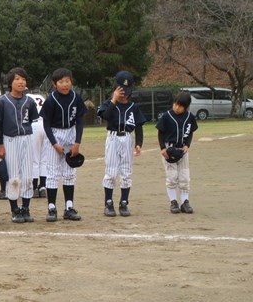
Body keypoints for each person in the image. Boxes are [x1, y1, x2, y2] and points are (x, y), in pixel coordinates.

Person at [0, 68, 39, 223]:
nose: (21, 82)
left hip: (26, 138)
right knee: (13, 177)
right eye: (17, 79)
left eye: (23, 79)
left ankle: (25, 208)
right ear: (10, 82)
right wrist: (0, 145)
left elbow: (31, 119)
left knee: (27, 176)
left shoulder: (29, 101)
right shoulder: (3, 101)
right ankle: (14, 209)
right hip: (10, 139)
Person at [40, 68, 87, 222]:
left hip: (71, 134)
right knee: (53, 173)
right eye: (61, 82)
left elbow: (80, 121)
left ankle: (69, 207)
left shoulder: (76, 98)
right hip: (54, 134)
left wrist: (77, 142)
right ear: (54, 84)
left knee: (69, 173)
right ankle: (52, 208)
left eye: (67, 81)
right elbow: (46, 124)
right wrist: (54, 143)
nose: (65, 84)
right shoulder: (51, 100)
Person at [97, 71, 146, 217]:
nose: (123, 94)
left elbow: (139, 127)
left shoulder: (134, 107)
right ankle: (108, 203)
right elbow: (106, 116)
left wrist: (138, 143)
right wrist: (114, 99)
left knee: (126, 172)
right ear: (115, 89)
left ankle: (124, 202)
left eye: (126, 91)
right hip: (113, 137)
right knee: (111, 172)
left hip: (127, 138)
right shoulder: (109, 103)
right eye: (120, 90)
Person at [156, 91, 198, 214]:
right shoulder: (167, 116)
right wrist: (162, 148)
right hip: (169, 149)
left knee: (184, 177)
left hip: (182, 150)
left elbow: (190, 132)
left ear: (186, 107)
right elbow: (160, 133)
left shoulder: (189, 117)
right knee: (172, 177)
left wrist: (187, 145)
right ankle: (173, 202)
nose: (177, 107)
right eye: (175, 104)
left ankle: (185, 202)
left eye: (180, 106)